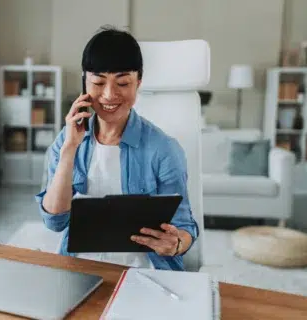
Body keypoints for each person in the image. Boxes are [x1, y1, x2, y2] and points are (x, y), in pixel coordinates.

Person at [35, 26, 199, 271]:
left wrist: (176, 244)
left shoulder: (164, 149)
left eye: (123, 82)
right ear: (85, 82)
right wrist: (70, 149)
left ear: (138, 82)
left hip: (145, 270)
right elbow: (55, 221)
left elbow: (185, 228)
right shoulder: (67, 140)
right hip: (81, 267)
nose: (109, 95)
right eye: (99, 82)